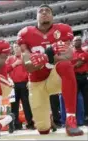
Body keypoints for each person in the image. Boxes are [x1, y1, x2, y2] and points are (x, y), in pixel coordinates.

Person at [17, 4, 83, 136]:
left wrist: (46, 57)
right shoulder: (26, 33)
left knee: (65, 65)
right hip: (36, 83)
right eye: (41, 11)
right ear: (36, 16)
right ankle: (48, 118)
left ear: (52, 16)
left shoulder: (62, 30)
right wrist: (50, 53)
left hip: (54, 77)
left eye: (48, 11)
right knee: (43, 129)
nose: (44, 12)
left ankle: (71, 119)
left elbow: (69, 56)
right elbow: (28, 66)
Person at [6, 43, 34, 130]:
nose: (16, 49)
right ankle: (16, 124)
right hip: (13, 85)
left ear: (20, 48)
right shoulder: (10, 59)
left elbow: (30, 69)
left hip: (24, 83)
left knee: (26, 104)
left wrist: (29, 80)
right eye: (15, 47)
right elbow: (5, 70)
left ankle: (30, 123)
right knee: (14, 105)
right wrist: (15, 64)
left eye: (18, 47)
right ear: (13, 49)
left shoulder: (25, 57)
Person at [72, 36, 88, 125]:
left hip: (84, 77)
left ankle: (86, 118)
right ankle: (75, 119)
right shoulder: (70, 54)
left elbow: (79, 64)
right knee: (74, 100)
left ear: (81, 42)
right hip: (75, 77)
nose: (77, 41)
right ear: (72, 42)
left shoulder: (85, 53)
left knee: (86, 99)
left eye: (79, 40)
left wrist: (73, 65)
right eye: (75, 40)